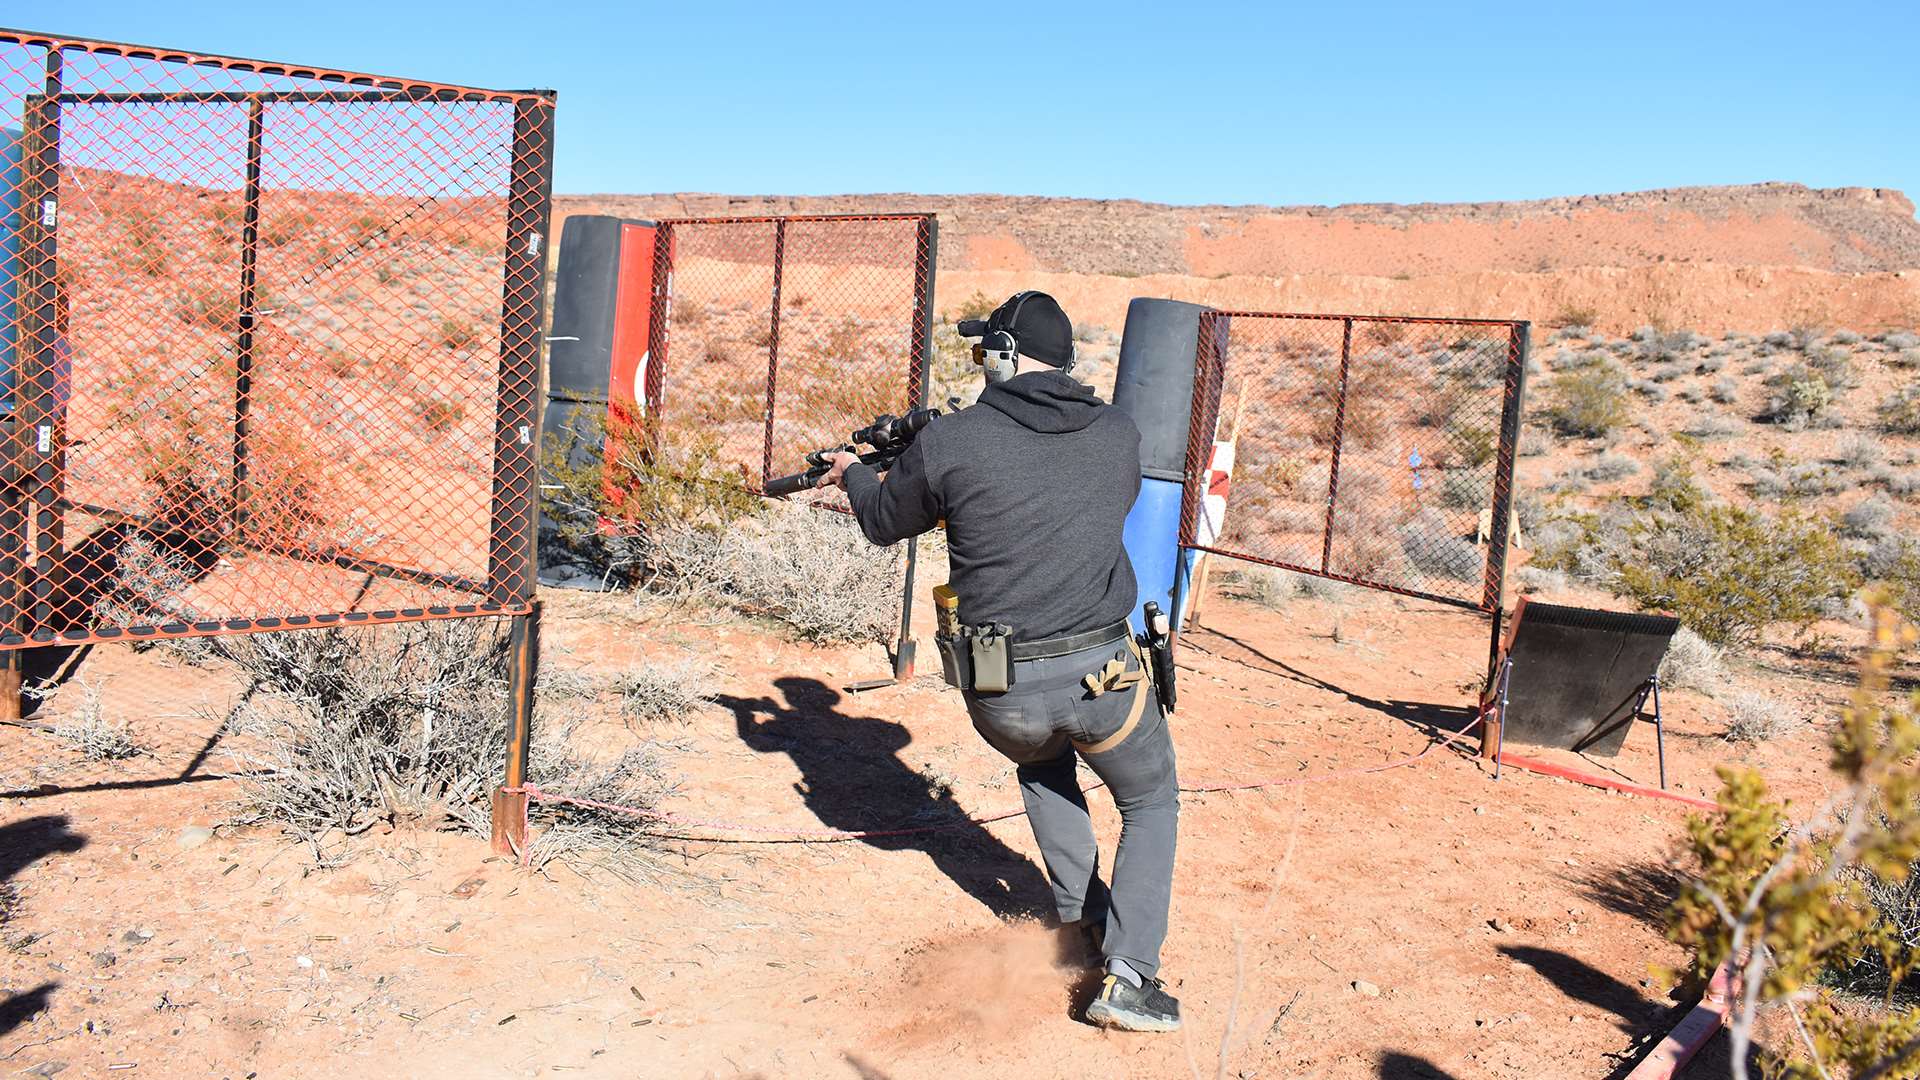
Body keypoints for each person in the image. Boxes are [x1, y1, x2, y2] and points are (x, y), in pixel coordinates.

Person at [819, 291, 1182, 1033]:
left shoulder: (954, 440)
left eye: (988, 348)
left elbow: (886, 522)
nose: (983, 359)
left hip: (997, 684)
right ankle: (1131, 977)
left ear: (1006, 355)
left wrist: (855, 473)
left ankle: (1083, 930)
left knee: (1044, 768)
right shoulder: (1117, 433)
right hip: (1099, 674)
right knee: (1148, 802)